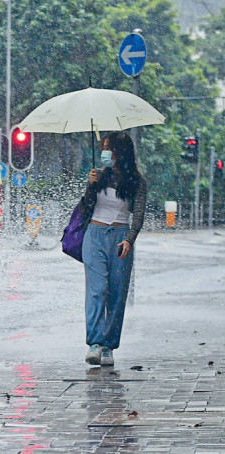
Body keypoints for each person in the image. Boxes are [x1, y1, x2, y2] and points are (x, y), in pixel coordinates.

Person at [79, 131, 147, 367]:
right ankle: (95, 344)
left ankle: (109, 345)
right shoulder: (98, 176)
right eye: (104, 148)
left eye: (110, 148)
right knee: (97, 290)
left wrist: (129, 239)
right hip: (94, 235)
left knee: (117, 294)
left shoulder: (137, 182)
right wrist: (91, 186)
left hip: (120, 237)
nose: (105, 153)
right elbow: (86, 206)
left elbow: (138, 214)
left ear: (122, 152)